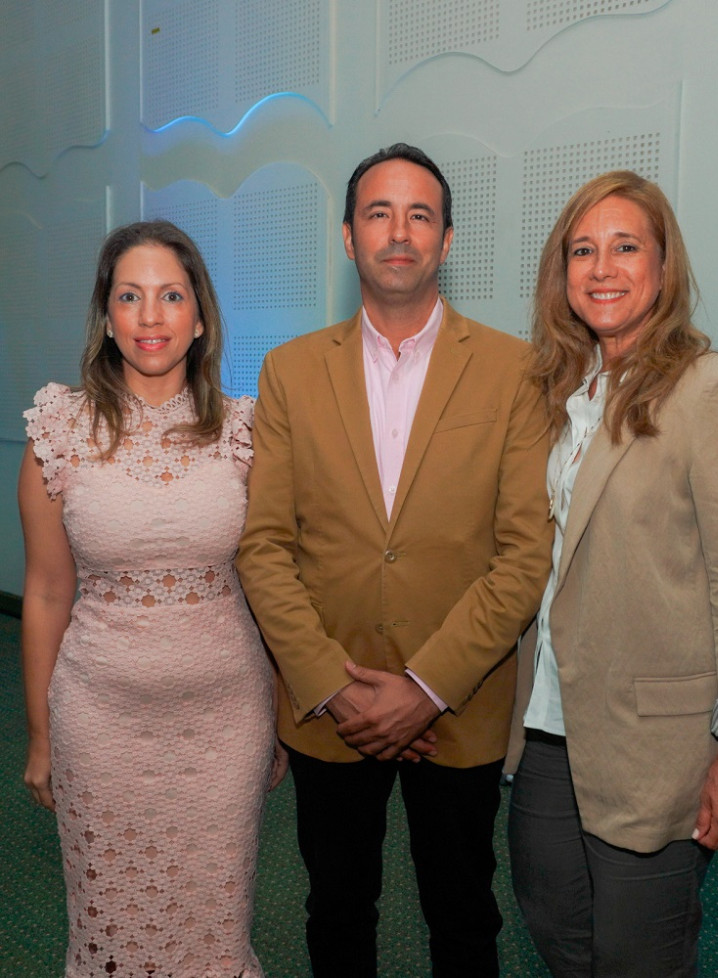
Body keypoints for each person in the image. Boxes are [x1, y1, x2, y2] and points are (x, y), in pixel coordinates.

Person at [236, 143, 552, 978]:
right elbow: (263, 547)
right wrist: (335, 687)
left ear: (447, 241)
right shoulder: (290, 372)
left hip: (460, 702)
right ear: (348, 237)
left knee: (463, 916)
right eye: (379, 213)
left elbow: (525, 555)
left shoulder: (515, 371)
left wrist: (423, 688)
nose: (399, 231)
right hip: (327, 705)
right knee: (336, 911)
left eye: (420, 215)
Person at [507, 170, 718, 978]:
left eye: (625, 247)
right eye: (583, 250)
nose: (602, 268)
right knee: (551, 912)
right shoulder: (563, 394)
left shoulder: (711, 390)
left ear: (663, 269)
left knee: (639, 956)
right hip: (552, 723)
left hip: (660, 741)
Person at [19, 220, 287, 977]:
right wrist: (40, 736)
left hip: (224, 720)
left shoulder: (247, 431)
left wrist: (286, 711)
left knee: (213, 923)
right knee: (113, 927)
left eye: (171, 296)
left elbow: (271, 584)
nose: (150, 316)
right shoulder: (60, 428)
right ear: (107, 316)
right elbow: (43, 593)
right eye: (130, 297)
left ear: (199, 318)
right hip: (98, 723)